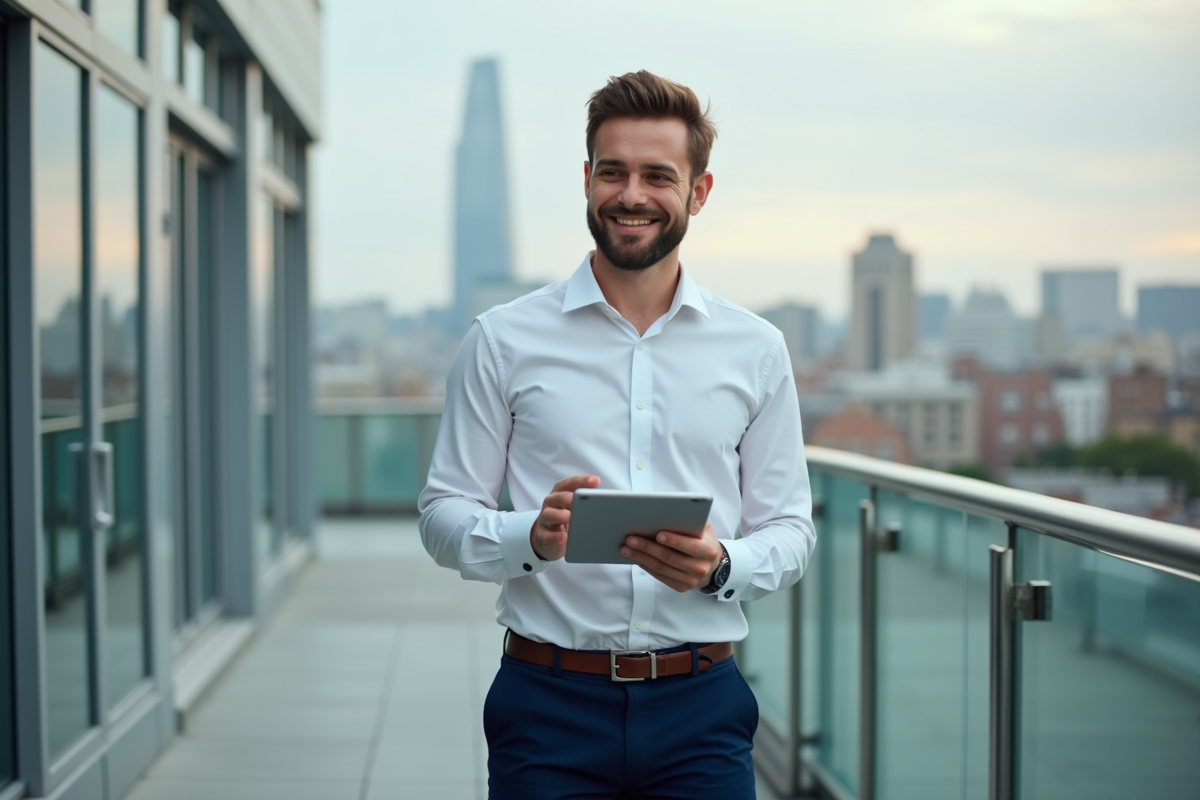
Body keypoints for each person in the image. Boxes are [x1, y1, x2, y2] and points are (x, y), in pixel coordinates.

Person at [419, 69, 816, 799]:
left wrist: (720, 565)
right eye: (613, 172)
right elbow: (443, 515)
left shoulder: (755, 349)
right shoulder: (503, 340)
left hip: (703, 708)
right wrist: (530, 540)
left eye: (657, 175)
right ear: (586, 181)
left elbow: (791, 528)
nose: (632, 195)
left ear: (698, 192)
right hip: (547, 705)